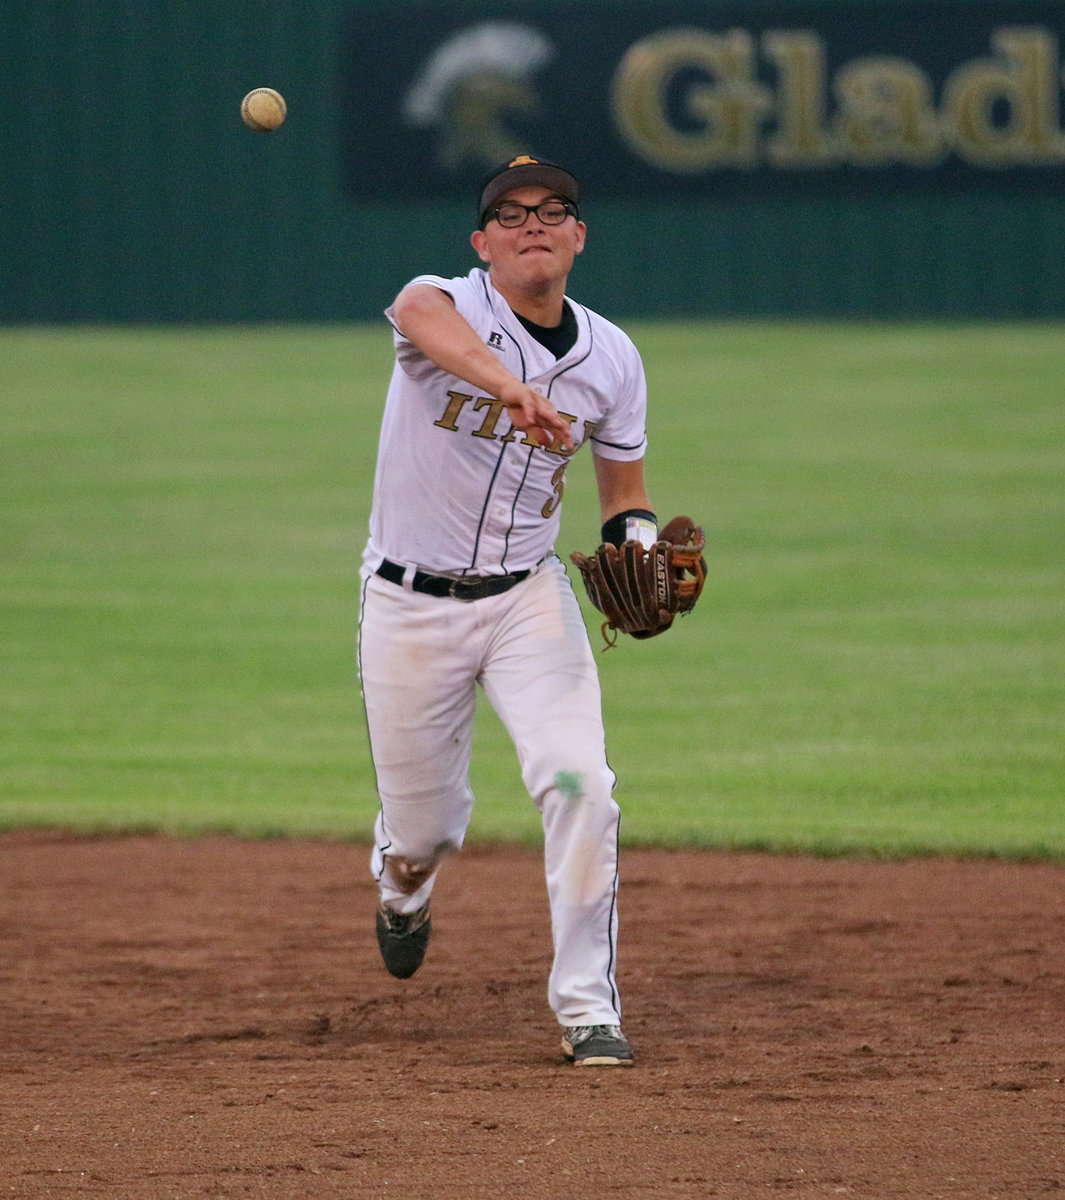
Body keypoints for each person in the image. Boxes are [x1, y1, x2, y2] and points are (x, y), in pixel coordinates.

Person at [357, 155, 661, 1067]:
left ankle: (585, 1009)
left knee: (581, 785)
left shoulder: (611, 357)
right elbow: (420, 321)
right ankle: (402, 889)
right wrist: (511, 388)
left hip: (530, 599)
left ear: (578, 236)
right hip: (409, 606)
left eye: (554, 209)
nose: (534, 223)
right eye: (511, 212)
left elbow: (625, 494)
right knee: (426, 832)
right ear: (482, 243)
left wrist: (637, 553)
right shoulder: (439, 302)